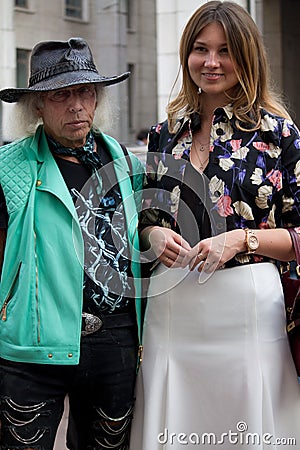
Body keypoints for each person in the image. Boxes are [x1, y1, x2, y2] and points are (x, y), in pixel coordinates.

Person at [130, 2, 300, 449]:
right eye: (200, 49)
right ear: (186, 55)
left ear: (247, 57)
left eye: (225, 50)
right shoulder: (164, 134)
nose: (211, 62)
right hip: (172, 313)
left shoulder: (280, 135)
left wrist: (240, 239)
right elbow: (145, 215)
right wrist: (152, 234)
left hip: (245, 311)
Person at [0, 37, 145, 450]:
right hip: (33, 344)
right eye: (61, 95)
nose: (76, 105)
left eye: (84, 92)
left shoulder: (126, 162)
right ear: (38, 106)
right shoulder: (8, 167)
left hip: (115, 341)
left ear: (97, 99)